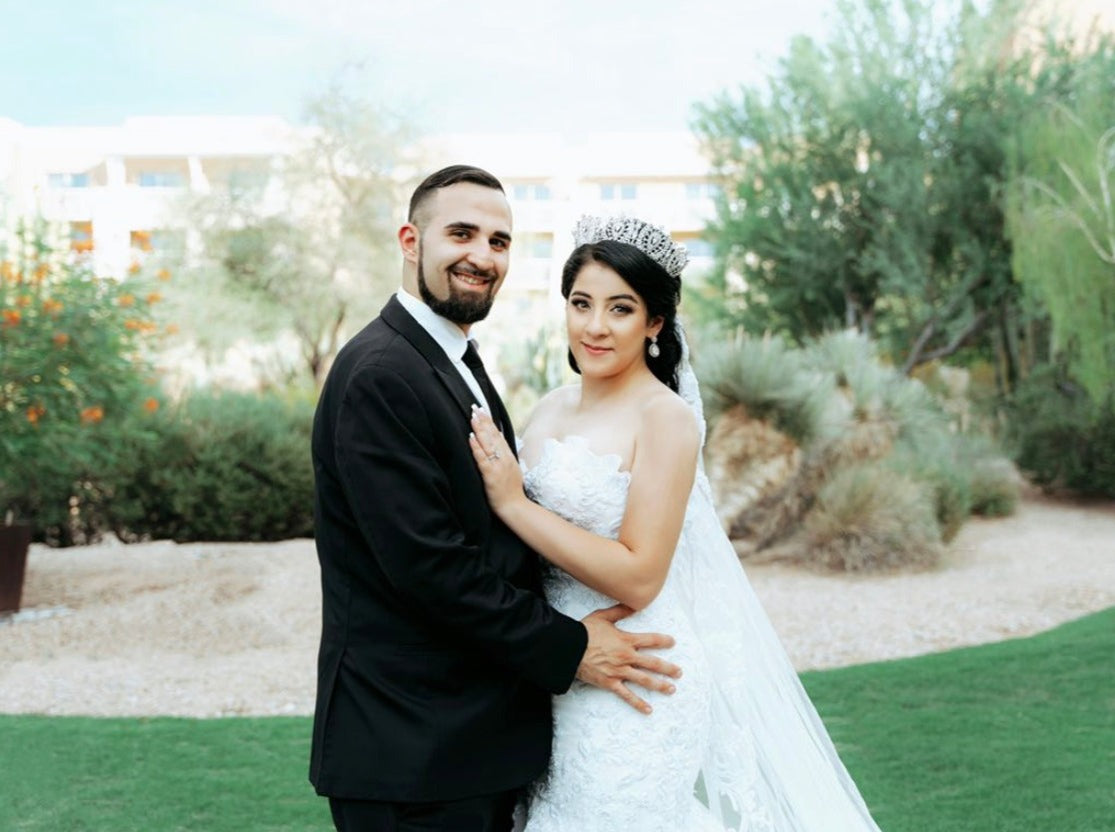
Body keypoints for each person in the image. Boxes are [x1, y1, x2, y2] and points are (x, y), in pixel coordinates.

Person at [468, 215, 884, 831]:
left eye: (620, 309)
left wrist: (514, 504)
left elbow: (640, 576)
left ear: (655, 323)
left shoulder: (664, 418)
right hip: (560, 666)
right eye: (581, 303)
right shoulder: (550, 407)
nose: (595, 326)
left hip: (639, 673)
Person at [308, 166, 682, 832]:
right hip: (413, 748)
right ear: (409, 240)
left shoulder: (450, 357)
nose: (481, 255)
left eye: (499, 241)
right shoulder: (381, 374)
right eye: (460, 233)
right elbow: (431, 569)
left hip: (474, 740)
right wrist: (570, 648)